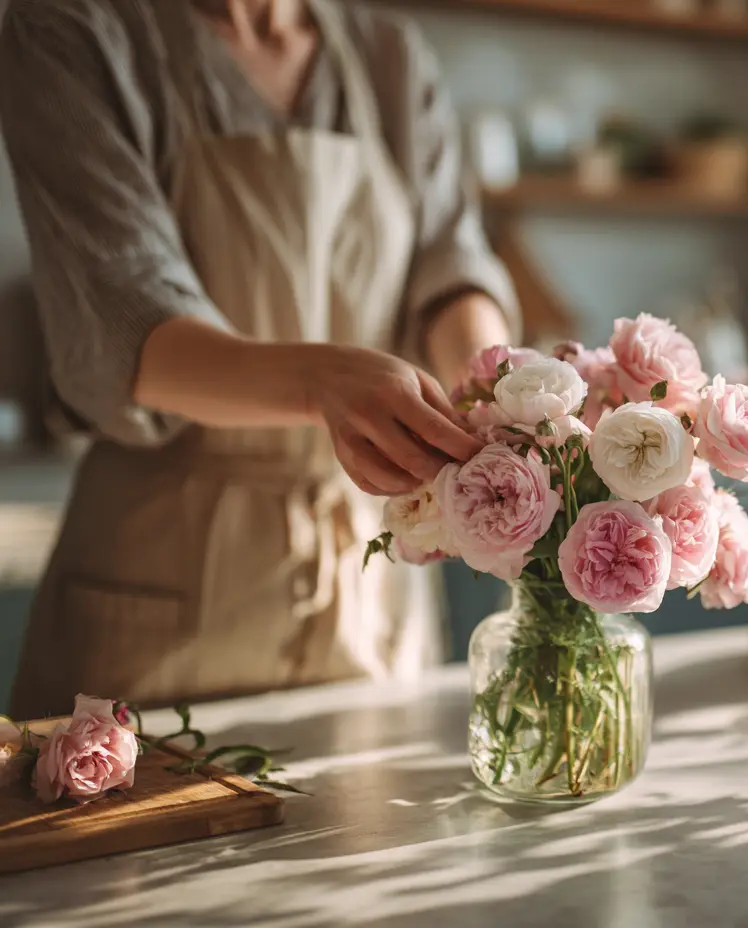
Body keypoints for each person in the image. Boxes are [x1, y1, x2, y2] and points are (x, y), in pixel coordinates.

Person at [0, 0, 519, 718]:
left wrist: (502, 394)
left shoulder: (388, 55)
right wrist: (326, 384)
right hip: (162, 583)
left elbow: (449, 264)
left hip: (367, 590)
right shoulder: (72, 28)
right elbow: (126, 316)